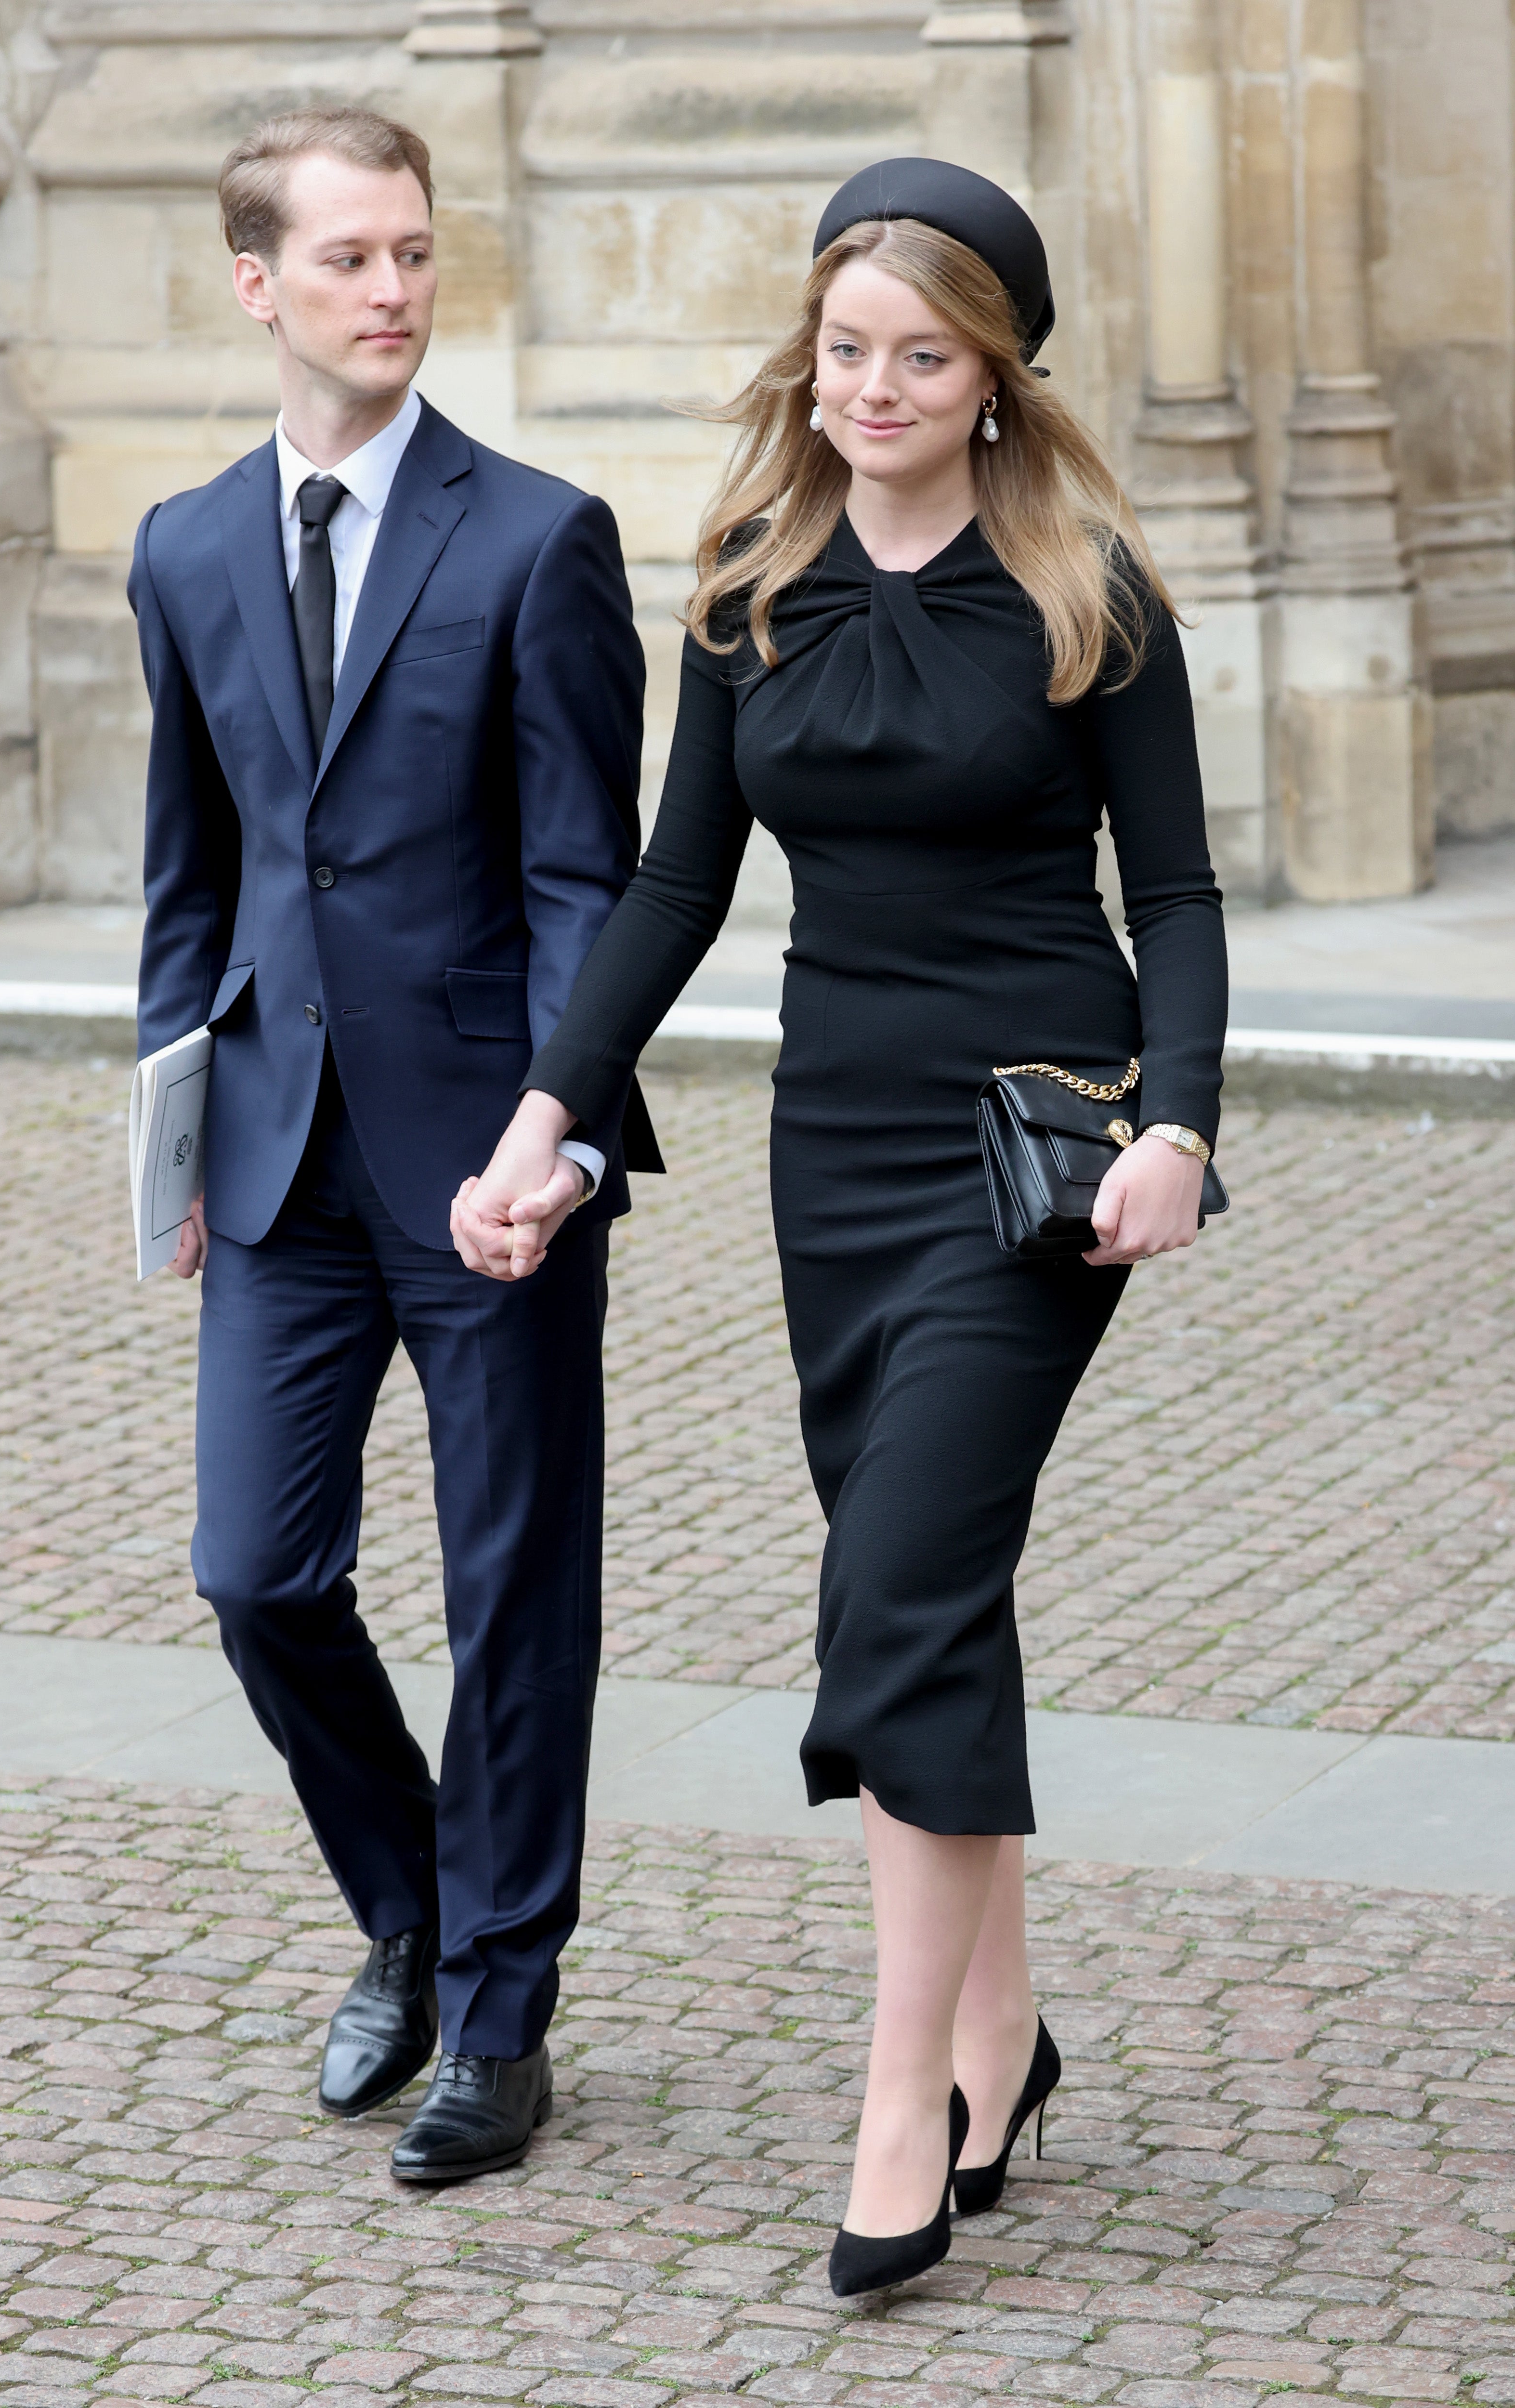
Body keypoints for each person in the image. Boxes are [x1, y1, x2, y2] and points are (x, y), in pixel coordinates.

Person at [452, 157, 1227, 2289]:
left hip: (1030, 1154)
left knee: (891, 1592)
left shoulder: (1085, 583)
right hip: (834, 1146)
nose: (871, 383)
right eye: (846, 345)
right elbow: (671, 890)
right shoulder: (743, 576)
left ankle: (897, 2097)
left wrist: (1181, 1122)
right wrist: (544, 1115)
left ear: (993, 376)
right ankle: (1002, 2032)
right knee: (929, 1595)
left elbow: (1172, 893)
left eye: (921, 354)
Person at [131, 104, 658, 2184]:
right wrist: (173, 1144)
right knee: (254, 1572)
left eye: (416, 254)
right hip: (274, 1156)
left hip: (490, 1160)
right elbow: (192, 876)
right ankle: (412, 1907)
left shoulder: (535, 535)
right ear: (258, 282)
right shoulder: (180, 545)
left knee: (517, 1585)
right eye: (349, 258)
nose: (392, 290)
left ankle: (504, 2007)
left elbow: (580, 884)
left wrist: (559, 1142)